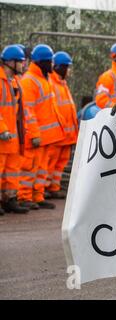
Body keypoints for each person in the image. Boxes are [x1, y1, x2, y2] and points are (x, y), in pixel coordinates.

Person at [19, 44, 65, 210]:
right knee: (29, 167)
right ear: (41, 62)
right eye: (49, 62)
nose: (52, 65)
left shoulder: (44, 79)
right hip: (35, 136)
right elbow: (28, 111)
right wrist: (34, 133)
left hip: (46, 136)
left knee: (41, 168)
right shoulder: (29, 81)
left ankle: (37, 196)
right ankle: (24, 196)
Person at [0, 45, 29, 214]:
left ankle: (10, 198)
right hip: (3, 135)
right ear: (11, 62)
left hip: (13, 135)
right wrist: (2, 129)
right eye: (21, 62)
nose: (23, 65)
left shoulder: (15, 81)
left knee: (12, 170)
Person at [46, 51, 78, 199]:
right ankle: (44, 189)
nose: (69, 71)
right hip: (58, 133)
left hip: (66, 134)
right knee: (49, 164)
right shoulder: (52, 84)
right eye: (67, 67)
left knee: (59, 164)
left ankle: (53, 187)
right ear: (59, 67)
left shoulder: (61, 84)